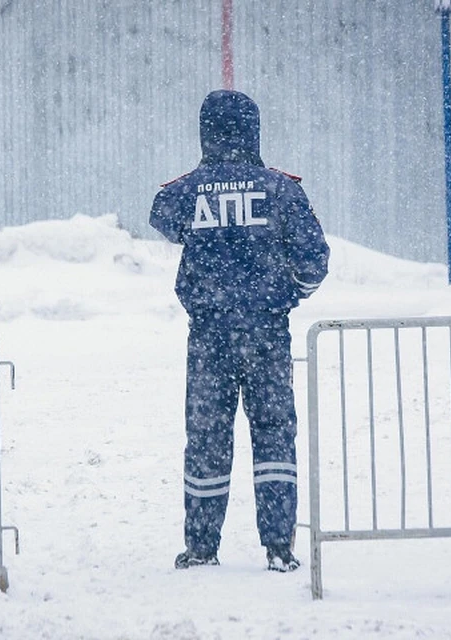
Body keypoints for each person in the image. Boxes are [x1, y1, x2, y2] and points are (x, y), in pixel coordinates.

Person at [149, 90, 330, 572]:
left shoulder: (189, 191)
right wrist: (285, 295)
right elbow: (315, 262)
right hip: (268, 336)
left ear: (206, 131)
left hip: (209, 338)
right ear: (254, 130)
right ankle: (278, 547)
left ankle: (202, 548)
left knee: (207, 438)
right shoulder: (281, 189)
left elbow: (160, 214)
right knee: (274, 437)